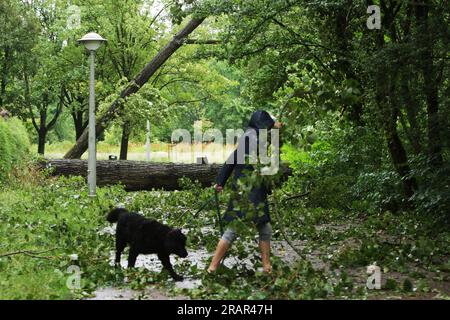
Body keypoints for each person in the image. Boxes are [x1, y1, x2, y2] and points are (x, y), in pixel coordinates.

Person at [207, 110, 283, 274]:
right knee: (234, 230)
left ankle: (266, 267)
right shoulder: (255, 138)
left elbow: (232, 160)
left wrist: (220, 181)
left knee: (264, 229)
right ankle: (212, 267)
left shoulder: (250, 135)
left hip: (247, 190)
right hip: (249, 191)